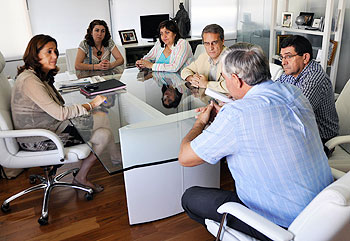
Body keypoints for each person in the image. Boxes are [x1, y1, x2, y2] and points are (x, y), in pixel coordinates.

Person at [179, 42, 333, 240]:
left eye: (225, 80)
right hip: (321, 213)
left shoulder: (237, 116)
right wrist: (227, 114)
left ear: (236, 79)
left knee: (190, 198)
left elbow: (185, 157)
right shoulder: (294, 93)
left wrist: (199, 124)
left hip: (283, 224)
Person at [11, 34, 117, 193]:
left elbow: (58, 103)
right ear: (35, 54)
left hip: (49, 129)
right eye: (49, 52)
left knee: (104, 134)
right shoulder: (29, 80)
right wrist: (91, 104)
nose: (54, 56)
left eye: (55, 51)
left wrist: (49, 79)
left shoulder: (37, 76)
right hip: (38, 138)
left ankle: (82, 176)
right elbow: (60, 113)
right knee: (102, 117)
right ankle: (116, 157)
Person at [276, 35, 339, 155]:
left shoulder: (314, 78)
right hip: (301, 132)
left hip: (321, 140)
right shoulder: (290, 72)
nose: (283, 62)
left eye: (288, 56)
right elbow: (273, 91)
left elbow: (295, 113)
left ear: (305, 58)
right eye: (282, 57)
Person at [181, 24, 227, 93]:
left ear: (222, 41)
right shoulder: (203, 57)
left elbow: (234, 86)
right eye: (207, 43)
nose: (210, 48)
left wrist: (206, 84)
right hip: (208, 99)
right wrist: (192, 78)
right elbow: (185, 70)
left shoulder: (233, 58)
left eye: (214, 43)